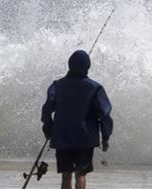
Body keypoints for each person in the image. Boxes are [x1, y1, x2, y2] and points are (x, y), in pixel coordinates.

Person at [41, 50, 113, 189]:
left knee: (66, 175)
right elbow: (104, 114)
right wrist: (105, 137)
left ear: (70, 65)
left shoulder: (57, 85)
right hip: (85, 139)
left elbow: (46, 110)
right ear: (87, 66)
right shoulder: (95, 88)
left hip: (62, 136)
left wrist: (48, 129)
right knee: (81, 174)